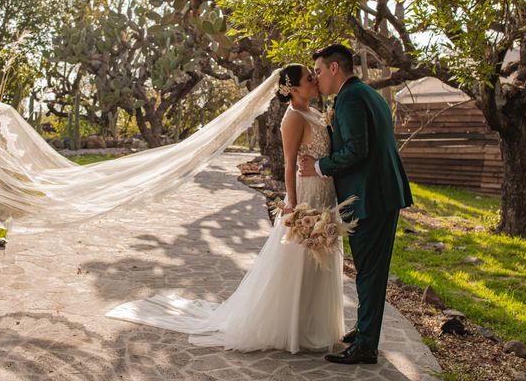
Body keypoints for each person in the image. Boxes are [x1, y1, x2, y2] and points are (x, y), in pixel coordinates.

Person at [106, 63, 346, 354]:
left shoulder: (316, 113)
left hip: (325, 193)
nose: (314, 81)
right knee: (301, 259)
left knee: (320, 259)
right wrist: (293, 205)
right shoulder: (293, 118)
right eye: (309, 78)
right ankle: (294, 328)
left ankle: (315, 326)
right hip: (307, 197)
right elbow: (288, 163)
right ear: (293, 88)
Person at [299, 44, 413, 365]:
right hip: (379, 193)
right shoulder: (366, 92)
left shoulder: (349, 98)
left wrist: (319, 167)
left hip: (371, 196)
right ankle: (365, 331)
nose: (317, 78)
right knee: (368, 269)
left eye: (319, 71)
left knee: (370, 272)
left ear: (335, 68)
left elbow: (356, 150)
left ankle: (366, 346)